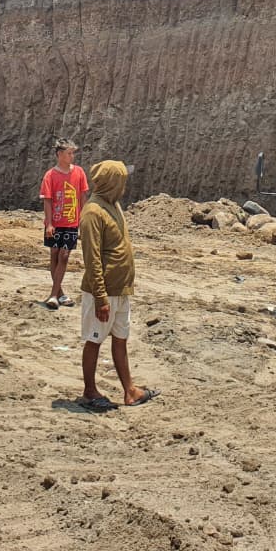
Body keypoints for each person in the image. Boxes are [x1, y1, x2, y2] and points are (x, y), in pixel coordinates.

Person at [77, 160, 157, 412]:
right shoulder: (92, 213)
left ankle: (130, 390)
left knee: (120, 339)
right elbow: (92, 259)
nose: (125, 184)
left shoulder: (113, 206)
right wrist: (100, 298)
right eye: (122, 179)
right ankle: (90, 391)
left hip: (121, 290)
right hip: (104, 293)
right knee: (94, 340)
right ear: (113, 182)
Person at [40, 138, 89, 310]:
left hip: (71, 222)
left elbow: (83, 197)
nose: (72, 156)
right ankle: (58, 293)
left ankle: (54, 295)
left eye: (73, 153)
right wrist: (49, 224)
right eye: (69, 153)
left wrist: (84, 219)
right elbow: (48, 201)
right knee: (54, 255)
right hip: (55, 222)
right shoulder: (50, 175)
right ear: (59, 154)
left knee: (65, 256)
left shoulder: (79, 173)